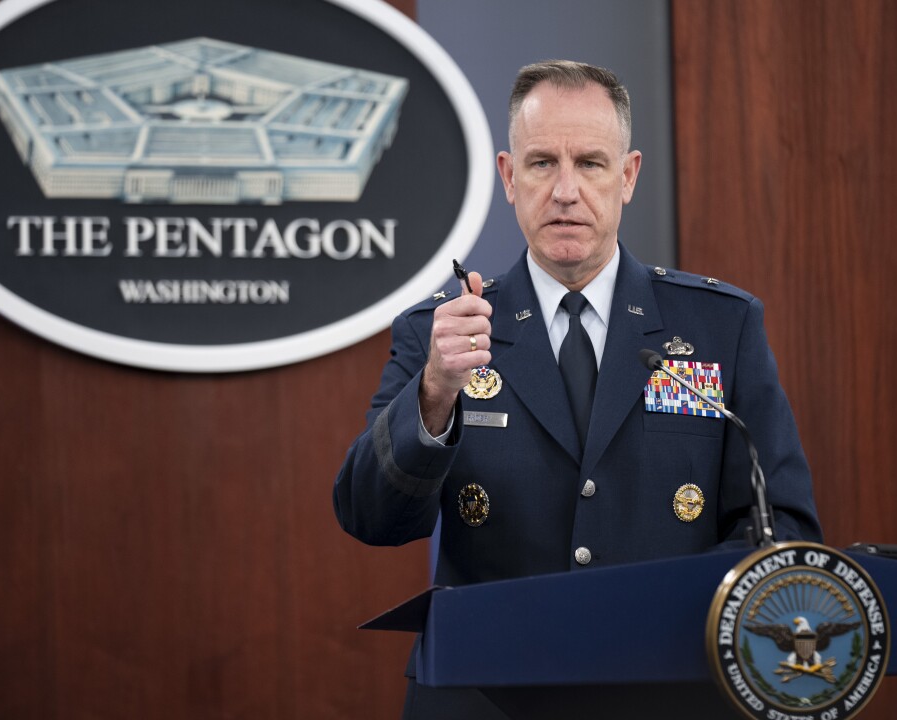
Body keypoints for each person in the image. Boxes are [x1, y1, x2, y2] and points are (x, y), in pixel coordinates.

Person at [334, 60, 822, 719]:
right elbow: (369, 518)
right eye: (541, 164)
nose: (565, 191)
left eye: (590, 163)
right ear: (508, 177)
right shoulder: (442, 334)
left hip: (668, 691)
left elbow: (783, 522)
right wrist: (434, 393)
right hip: (488, 695)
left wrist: (667, 611)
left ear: (628, 177)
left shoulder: (719, 327)